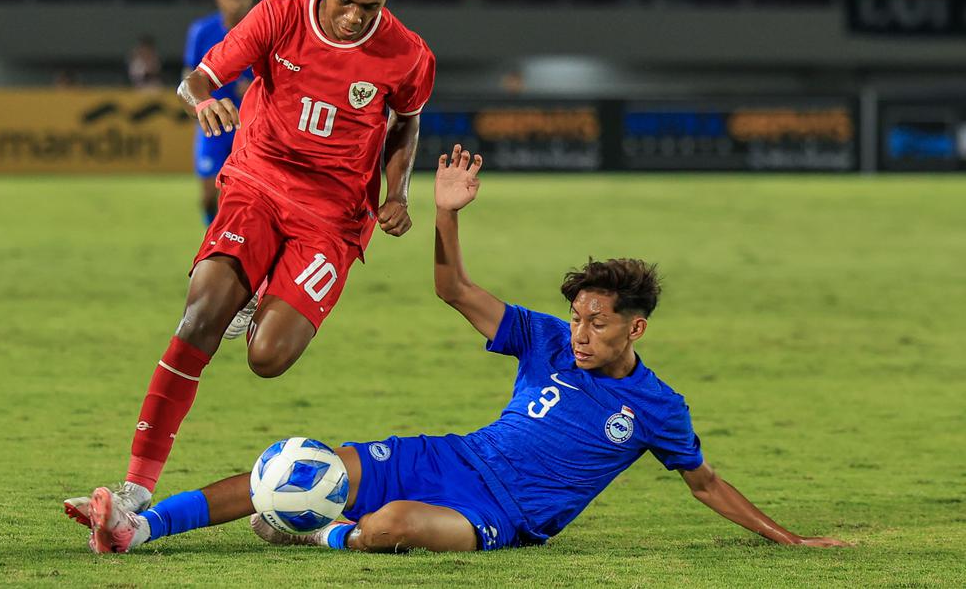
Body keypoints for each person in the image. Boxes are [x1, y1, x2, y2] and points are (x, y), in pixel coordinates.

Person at [80, 145, 852, 554]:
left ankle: (313, 527)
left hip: (504, 514)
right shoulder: (544, 341)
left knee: (393, 529)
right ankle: (141, 529)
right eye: (576, 319)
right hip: (450, 457)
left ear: (634, 329)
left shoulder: (657, 409)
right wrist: (446, 217)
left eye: (597, 324)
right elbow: (454, 292)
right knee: (294, 468)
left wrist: (787, 538)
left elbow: (704, 484)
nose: (580, 333)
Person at [64, 0, 435, 529]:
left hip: (333, 220)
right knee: (200, 316)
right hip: (257, 183)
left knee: (267, 357)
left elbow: (403, 126)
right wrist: (203, 101)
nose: (353, 18)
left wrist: (399, 194)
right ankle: (135, 487)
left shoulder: (409, 54)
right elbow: (198, 78)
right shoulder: (278, 16)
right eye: (345, 1)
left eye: (370, 6)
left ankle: (261, 293)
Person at [184, 0, 255, 226]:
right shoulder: (202, 31)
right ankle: (211, 231)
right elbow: (189, 75)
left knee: (245, 199)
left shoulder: (259, 31)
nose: (238, 3)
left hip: (248, 127)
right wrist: (198, 106)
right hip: (213, 126)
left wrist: (256, 89)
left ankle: (227, 244)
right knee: (207, 196)